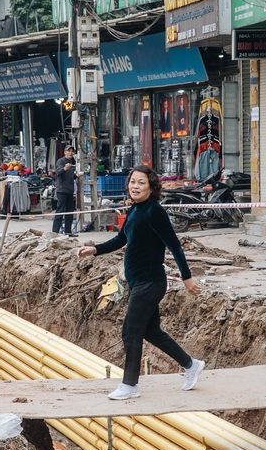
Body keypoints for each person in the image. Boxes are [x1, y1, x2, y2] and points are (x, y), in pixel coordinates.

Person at [77, 165, 205, 400]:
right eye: (133, 182)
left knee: (130, 332)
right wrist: (94, 250)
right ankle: (191, 365)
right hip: (138, 281)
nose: (135, 186)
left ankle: (130, 386)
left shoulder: (155, 212)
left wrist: (187, 278)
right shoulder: (135, 209)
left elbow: (174, 245)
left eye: (141, 183)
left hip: (151, 281)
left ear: (151, 187)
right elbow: (121, 238)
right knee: (151, 331)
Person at [52, 146, 80, 236]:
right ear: (65, 152)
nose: (71, 153)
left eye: (72, 151)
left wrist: (76, 175)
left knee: (70, 212)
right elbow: (58, 172)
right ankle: (55, 232)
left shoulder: (72, 163)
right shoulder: (60, 161)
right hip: (62, 189)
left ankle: (68, 231)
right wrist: (64, 168)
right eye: (69, 151)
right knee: (60, 211)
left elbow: (70, 176)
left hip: (70, 190)